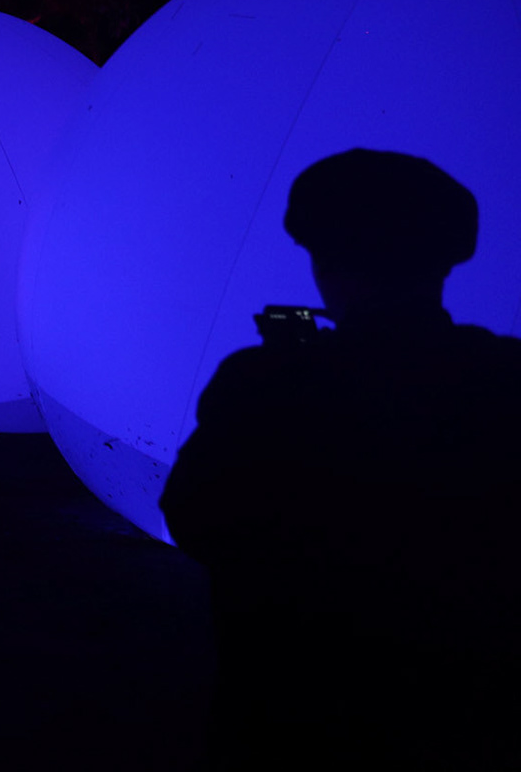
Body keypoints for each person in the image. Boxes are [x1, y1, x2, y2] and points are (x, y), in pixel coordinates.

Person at [161, 150, 521, 768]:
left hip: (290, 711)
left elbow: (192, 515)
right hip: (469, 715)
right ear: (446, 259)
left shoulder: (264, 381)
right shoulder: (506, 379)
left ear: (325, 261)